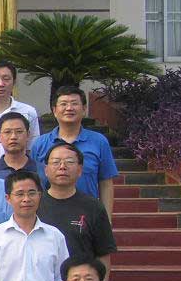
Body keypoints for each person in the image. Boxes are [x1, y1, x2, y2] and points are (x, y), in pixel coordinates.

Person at [31, 85, 119, 213]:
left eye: (74, 103)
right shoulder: (40, 144)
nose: (69, 108)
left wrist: (106, 219)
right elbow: (34, 182)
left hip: (87, 213)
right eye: (63, 104)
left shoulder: (99, 142)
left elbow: (105, 182)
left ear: (84, 109)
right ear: (54, 110)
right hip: (48, 213)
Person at [38, 142, 116, 277]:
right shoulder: (34, 204)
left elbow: (103, 253)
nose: (62, 167)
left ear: (80, 170)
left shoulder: (94, 207)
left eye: (69, 162)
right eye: (56, 162)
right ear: (46, 170)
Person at [0, 111, 39, 181]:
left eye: (19, 131)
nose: (13, 137)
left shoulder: (44, 171)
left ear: (28, 135)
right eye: (7, 132)